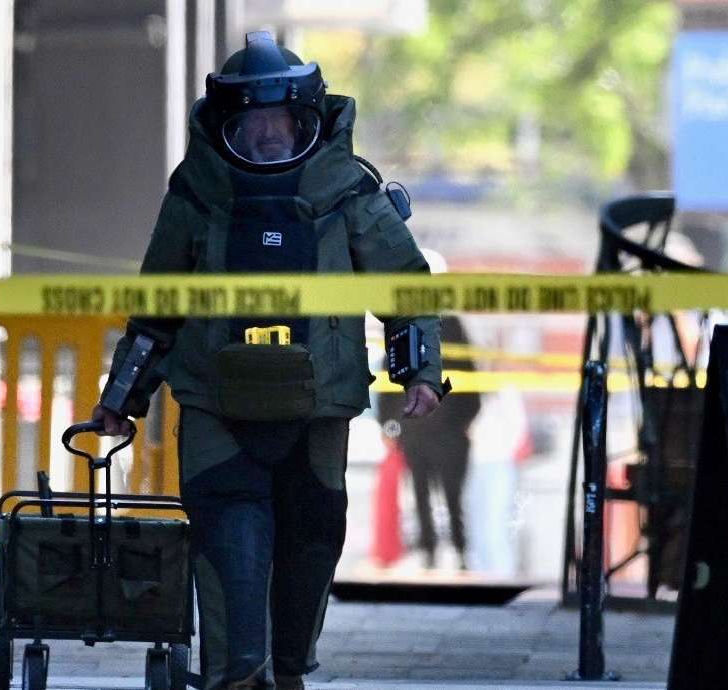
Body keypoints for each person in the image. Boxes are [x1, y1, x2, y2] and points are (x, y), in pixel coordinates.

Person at [92, 32, 447, 690]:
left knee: (311, 543)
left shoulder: (349, 190)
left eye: (279, 124)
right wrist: (121, 398)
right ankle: (238, 674)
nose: (267, 140)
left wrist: (420, 371)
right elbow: (155, 307)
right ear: (227, 125)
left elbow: (407, 287)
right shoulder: (196, 194)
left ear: (307, 118)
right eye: (251, 127)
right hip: (215, 405)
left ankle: (286, 671)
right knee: (229, 540)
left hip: (320, 407)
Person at [375, 250, 480, 570]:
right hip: (416, 428)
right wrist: (390, 426)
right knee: (420, 493)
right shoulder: (402, 324)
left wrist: (465, 419)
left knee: (452, 494)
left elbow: (470, 376)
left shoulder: (451, 325)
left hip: (447, 429)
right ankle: (430, 551)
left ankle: (460, 551)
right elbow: (389, 377)